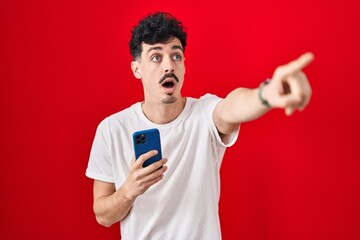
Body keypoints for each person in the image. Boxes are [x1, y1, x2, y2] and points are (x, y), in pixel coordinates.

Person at [86, 12, 313, 240]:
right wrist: (129, 190)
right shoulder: (111, 129)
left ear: (184, 65)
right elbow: (103, 216)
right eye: (156, 57)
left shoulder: (204, 115)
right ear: (137, 69)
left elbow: (233, 106)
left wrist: (265, 94)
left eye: (176, 56)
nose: (169, 66)